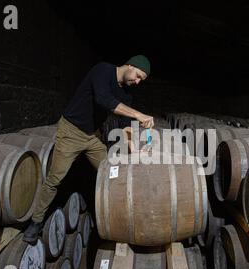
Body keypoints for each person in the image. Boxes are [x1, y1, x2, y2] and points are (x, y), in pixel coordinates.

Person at [23, 55, 154, 243]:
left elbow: (125, 127)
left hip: (93, 138)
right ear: (129, 65)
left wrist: (134, 150)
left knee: (110, 173)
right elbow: (104, 99)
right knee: (55, 178)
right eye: (138, 75)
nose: (137, 81)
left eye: (141, 79)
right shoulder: (103, 70)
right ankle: (35, 223)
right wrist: (139, 114)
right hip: (71, 132)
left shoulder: (126, 95)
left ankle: (109, 220)